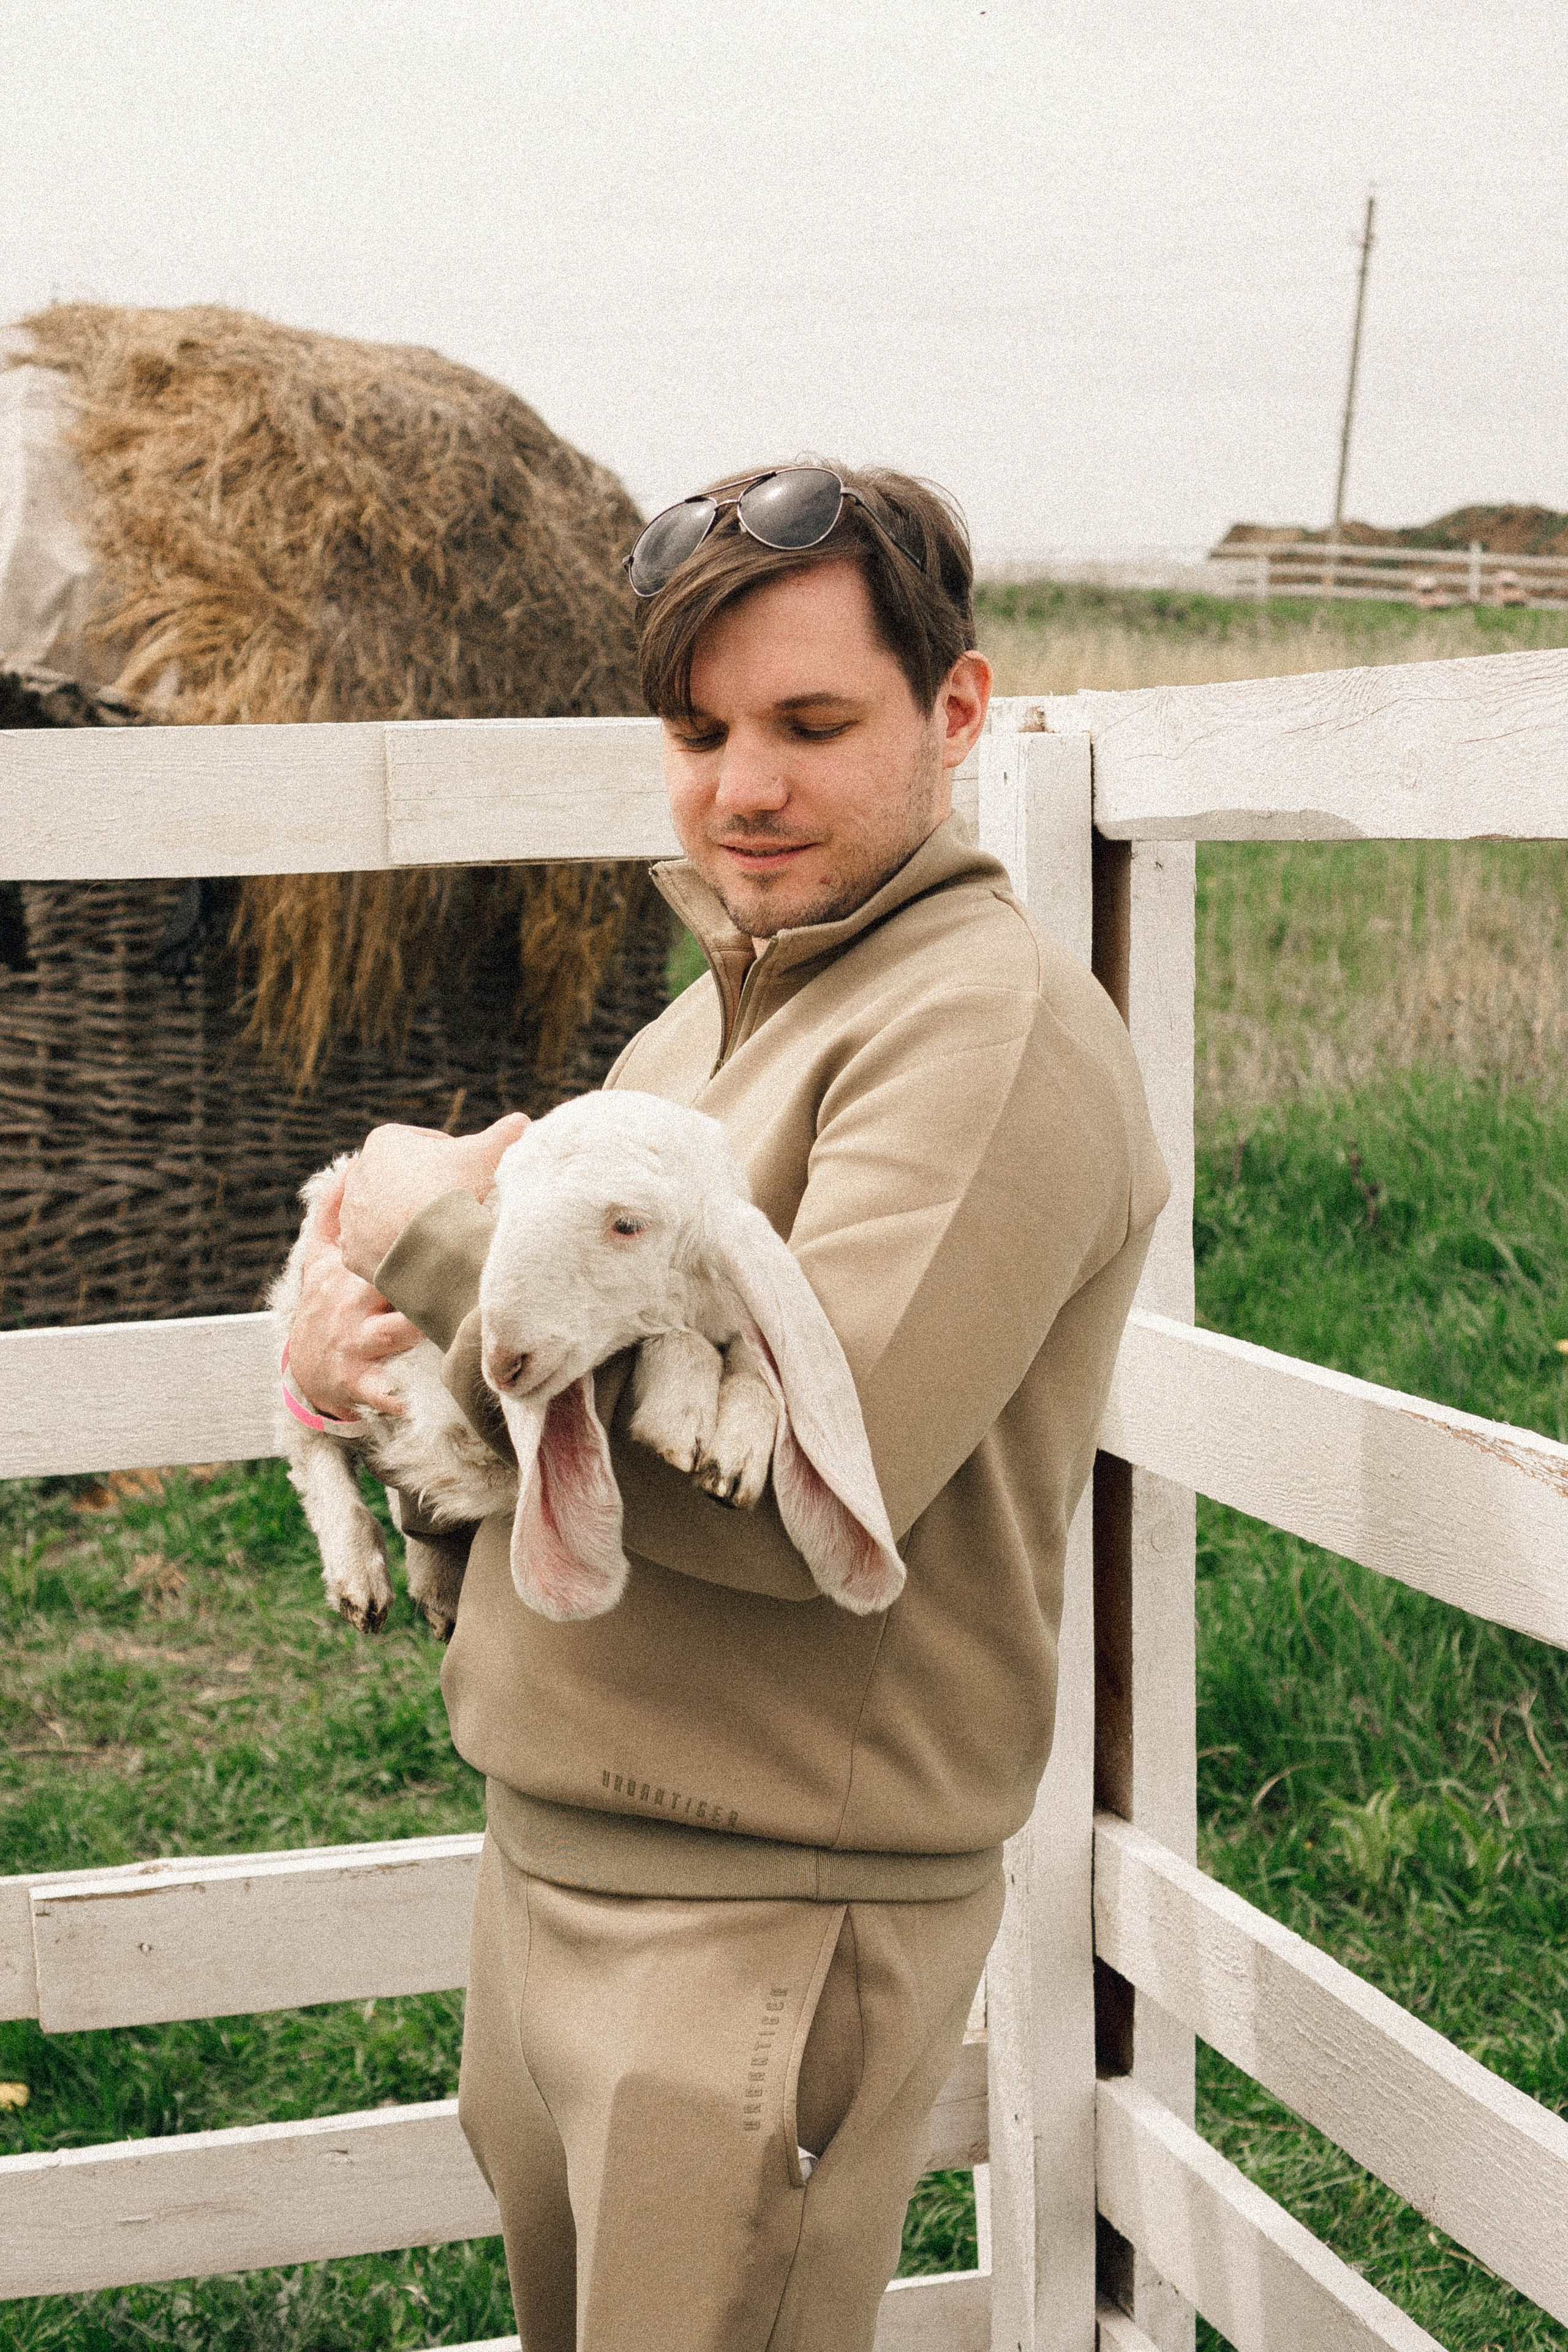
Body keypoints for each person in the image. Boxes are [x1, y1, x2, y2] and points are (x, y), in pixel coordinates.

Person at [287, 462, 1169, 2352]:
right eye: (700, 732)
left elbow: (802, 1506)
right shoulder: (698, 1028)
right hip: (560, 1866)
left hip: (761, 1925)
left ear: (956, 712)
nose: (742, 785)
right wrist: (372, 1382)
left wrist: (428, 1240)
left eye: (811, 725)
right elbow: (542, 1423)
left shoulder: (984, 1029)